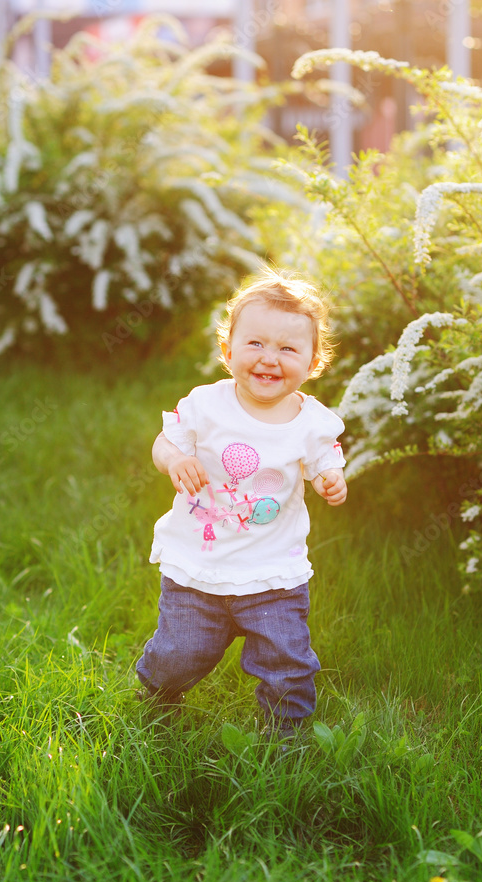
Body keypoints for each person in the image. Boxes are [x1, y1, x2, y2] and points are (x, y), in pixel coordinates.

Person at [135, 268, 347, 739]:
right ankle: (155, 693)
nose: (269, 359)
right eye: (255, 344)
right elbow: (163, 443)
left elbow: (325, 462)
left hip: (273, 573)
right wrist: (176, 459)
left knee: (287, 662)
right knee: (181, 654)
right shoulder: (205, 404)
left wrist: (332, 479)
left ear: (314, 362)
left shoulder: (312, 423)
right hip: (198, 567)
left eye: (288, 349)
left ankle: (284, 738)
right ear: (228, 352)